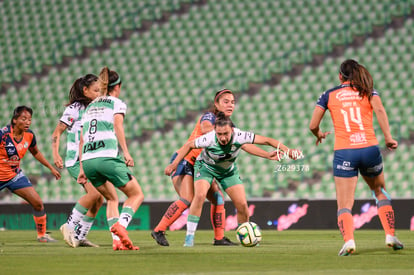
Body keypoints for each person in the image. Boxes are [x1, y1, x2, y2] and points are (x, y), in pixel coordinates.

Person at [152, 89, 274, 246]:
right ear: (216, 104)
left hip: (204, 164)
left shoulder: (230, 127)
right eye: (226, 102)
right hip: (186, 160)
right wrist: (220, 135)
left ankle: (219, 238)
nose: (230, 105)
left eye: (232, 102)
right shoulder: (210, 117)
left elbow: (243, 145)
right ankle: (159, 230)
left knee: (218, 199)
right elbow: (205, 128)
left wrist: (264, 154)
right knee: (188, 197)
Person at [309, 59, 404, 256]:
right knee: (380, 191)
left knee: (344, 204)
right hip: (369, 148)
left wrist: (318, 134)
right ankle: (390, 236)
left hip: (345, 152)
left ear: (340, 76)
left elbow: (312, 125)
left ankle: (350, 242)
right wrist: (388, 137)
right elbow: (379, 110)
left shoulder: (329, 94)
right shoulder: (368, 91)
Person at [165, 112, 301, 246]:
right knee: (199, 195)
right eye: (220, 134)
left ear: (232, 130)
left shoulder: (240, 135)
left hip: (227, 172)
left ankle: (246, 236)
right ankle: (189, 237)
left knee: (242, 205)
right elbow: (189, 145)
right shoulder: (209, 138)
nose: (223, 138)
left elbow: (267, 140)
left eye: (226, 134)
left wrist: (286, 151)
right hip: (205, 168)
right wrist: (174, 164)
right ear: (215, 132)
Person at [77, 67, 144, 251]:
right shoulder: (116, 102)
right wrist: (126, 152)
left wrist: (82, 169)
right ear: (118, 86)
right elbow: (117, 125)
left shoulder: (90, 106)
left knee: (112, 199)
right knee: (136, 194)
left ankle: (117, 241)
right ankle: (121, 227)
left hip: (89, 161)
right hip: (106, 157)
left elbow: (82, 138)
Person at [52, 74, 104, 248]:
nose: (98, 93)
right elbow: (57, 132)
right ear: (85, 90)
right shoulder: (74, 109)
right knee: (94, 194)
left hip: (90, 159)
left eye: (100, 90)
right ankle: (69, 226)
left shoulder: (96, 108)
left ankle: (80, 236)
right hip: (75, 160)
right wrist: (56, 154)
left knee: (99, 199)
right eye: (95, 90)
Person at [0, 106, 61, 242]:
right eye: (24, 119)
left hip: (15, 176)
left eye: (29, 119)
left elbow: (36, 152)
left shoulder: (30, 135)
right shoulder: (2, 134)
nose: (28, 122)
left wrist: (50, 167)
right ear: (15, 120)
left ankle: (42, 236)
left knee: (38, 203)